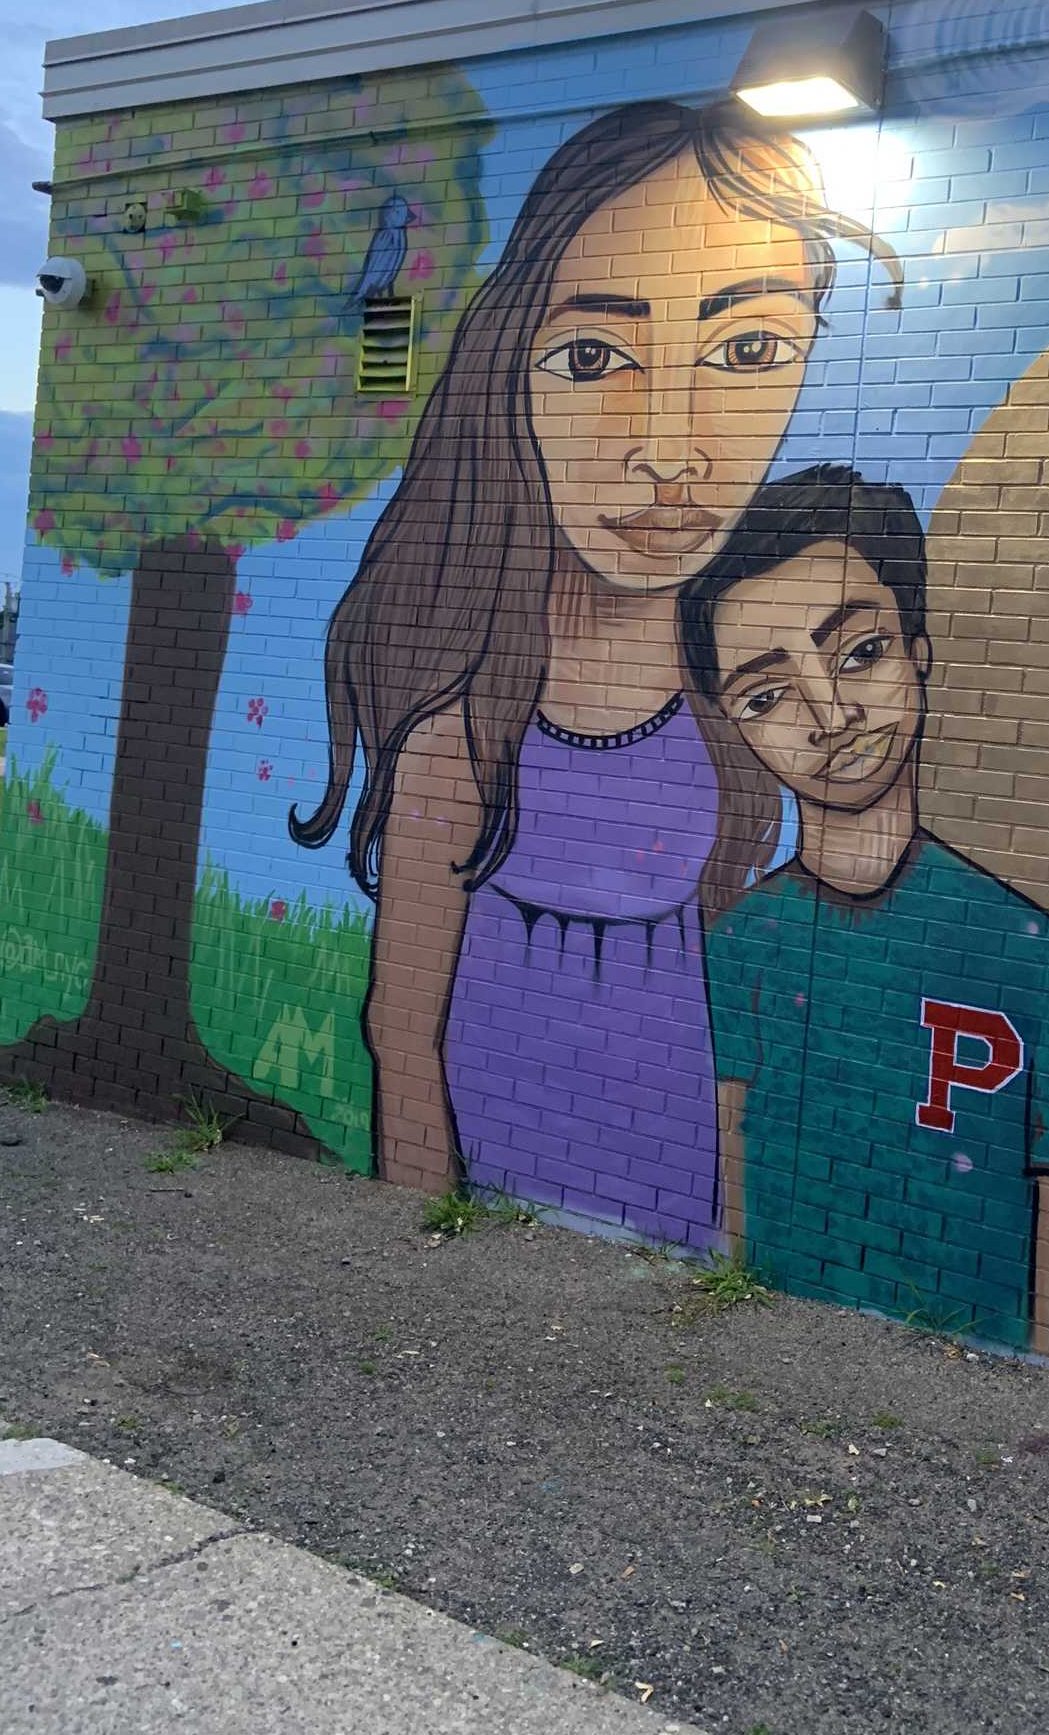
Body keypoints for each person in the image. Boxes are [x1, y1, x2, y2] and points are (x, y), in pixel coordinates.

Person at [292, 100, 897, 1246]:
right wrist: (426, 1235)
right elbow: (400, 1026)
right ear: (509, 373)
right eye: (590, 356)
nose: (669, 448)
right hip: (503, 1208)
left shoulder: (750, 706)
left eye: (751, 349)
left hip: (690, 1216)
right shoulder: (466, 741)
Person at [678, 465, 1049, 1355]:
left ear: (920, 653)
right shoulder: (745, 944)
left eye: (859, 653)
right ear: (736, 729)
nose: (830, 714)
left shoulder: (1036, 953)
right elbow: (732, 1182)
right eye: (766, 696)